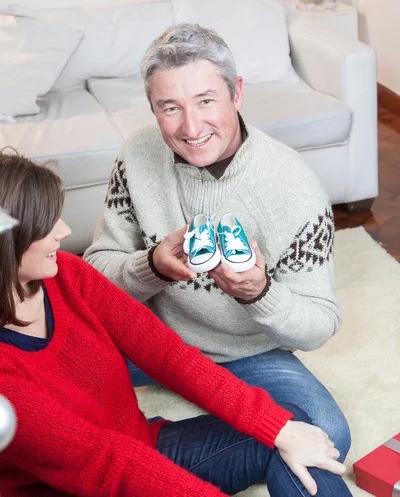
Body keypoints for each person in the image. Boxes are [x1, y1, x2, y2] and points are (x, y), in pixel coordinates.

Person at [0, 152, 352, 497]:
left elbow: (169, 356)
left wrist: (278, 430)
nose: (64, 231)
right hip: (87, 483)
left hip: (142, 449)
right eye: (47, 225)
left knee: (290, 426)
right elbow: (106, 465)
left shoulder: (66, 273)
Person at [84, 22, 351, 461]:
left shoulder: (294, 187)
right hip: (149, 338)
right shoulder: (138, 154)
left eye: (206, 101)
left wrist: (259, 294)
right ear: (152, 108)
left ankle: (134, 461)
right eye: (170, 108)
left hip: (247, 352)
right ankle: (132, 459)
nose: (191, 127)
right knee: (24, 385)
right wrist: (150, 265)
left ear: (236, 93)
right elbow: (95, 275)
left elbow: (319, 324)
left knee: (326, 434)